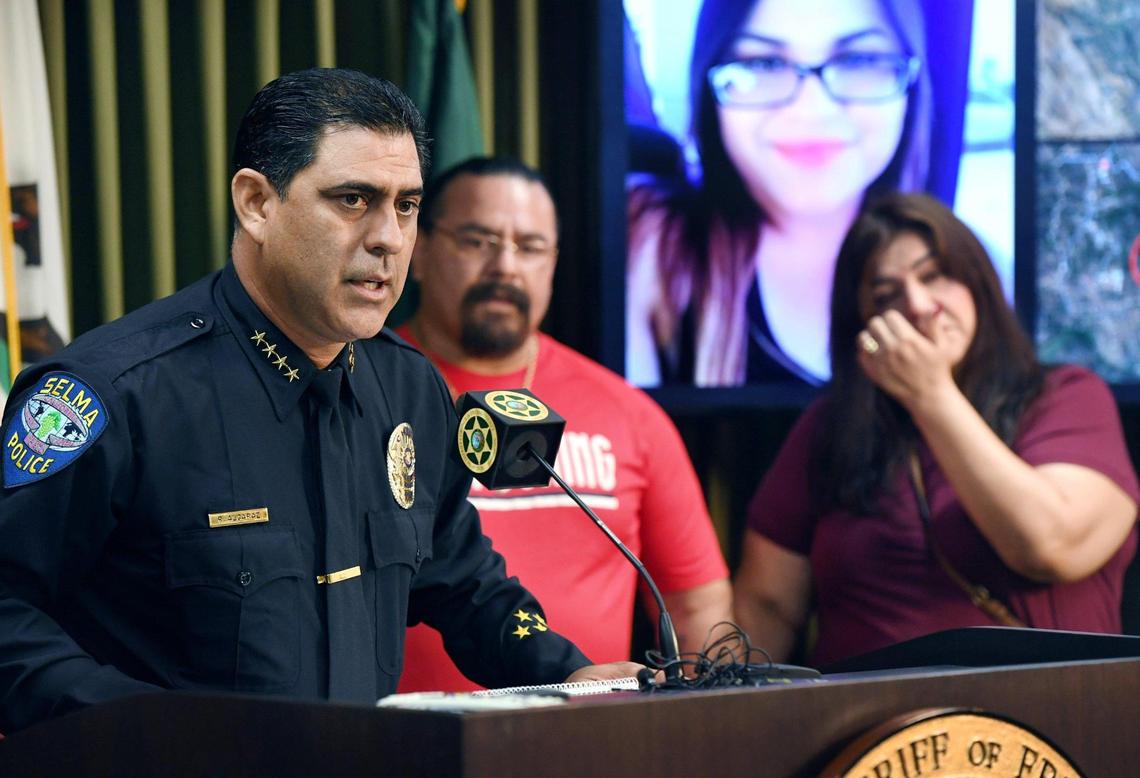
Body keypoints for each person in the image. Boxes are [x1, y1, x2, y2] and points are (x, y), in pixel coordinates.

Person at [0, 68, 638, 734]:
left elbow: (460, 578)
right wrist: (151, 732)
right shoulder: (117, 394)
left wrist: (569, 672)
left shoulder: (409, 388)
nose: (389, 237)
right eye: (354, 199)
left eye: (406, 205)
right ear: (256, 204)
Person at [733, 192, 1140, 667]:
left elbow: (1050, 547)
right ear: (862, 327)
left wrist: (930, 393)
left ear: (977, 282)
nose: (919, 306)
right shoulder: (829, 428)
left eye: (934, 276)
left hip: (1034, 707)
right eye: (887, 296)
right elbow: (768, 605)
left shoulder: (1065, 398)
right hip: (861, 711)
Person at [396, 156, 732, 691]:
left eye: (530, 247)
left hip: (583, 733)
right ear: (418, 251)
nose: (505, 267)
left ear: (552, 264)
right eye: (477, 241)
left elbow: (695, 605)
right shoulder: (365, 391)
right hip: (400, 731)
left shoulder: (629, 414)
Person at [626, 0, 931, 386]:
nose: (811, 110)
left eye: (858, 61)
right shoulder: (653, 243)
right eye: (764, 64)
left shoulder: (963, 267)